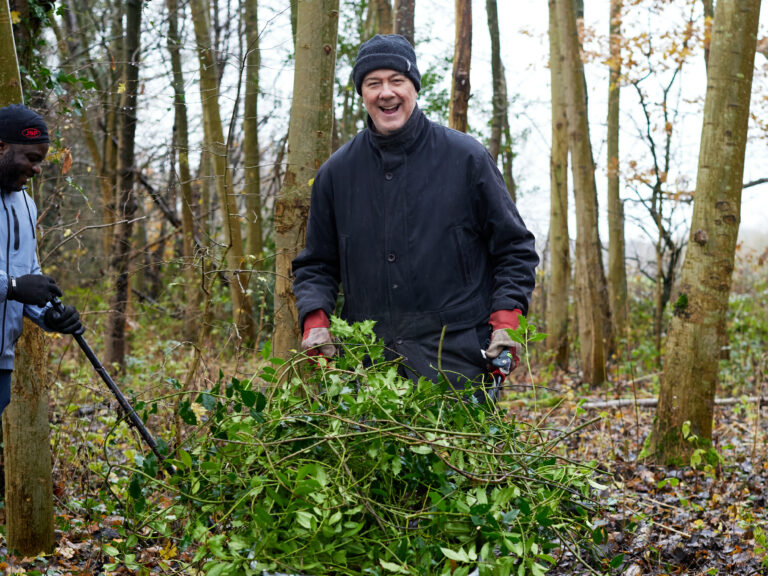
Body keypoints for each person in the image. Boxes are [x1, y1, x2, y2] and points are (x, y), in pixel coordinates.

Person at [292, 34, 538, 398]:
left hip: (459, 363)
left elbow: (514, 248)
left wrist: (506, 320)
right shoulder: (337, 174)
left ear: (414, 88)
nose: (385, 93)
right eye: (373, 83)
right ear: (362, 93)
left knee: (459, 454)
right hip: (373, 369)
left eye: (396, 81)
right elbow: (316, 264)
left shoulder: (466, 159)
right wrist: (315, 319)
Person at [0, 104, 83, 416]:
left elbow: (27, 272)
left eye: (41, 161)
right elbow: (15, 284)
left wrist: (51, 315)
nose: (37, 169)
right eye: (32, 159)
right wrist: (12, 286)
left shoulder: (25, 204)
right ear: (1, 146)